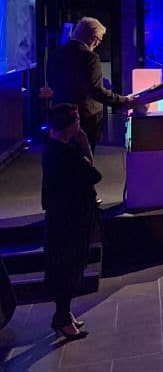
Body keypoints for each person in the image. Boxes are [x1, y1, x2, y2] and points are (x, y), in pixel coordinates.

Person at [42, 103, 101, 340]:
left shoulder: (52, 148)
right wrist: (86, 146)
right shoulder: (68, 153)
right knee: (69, 267)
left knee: (66, 267)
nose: (80, 124)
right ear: (70, 125)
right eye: (77, 121)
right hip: (70, 218)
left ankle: (64, 315)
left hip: (60, 216)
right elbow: (94, 175)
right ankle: (62, 319)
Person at [45, 17, 134, 152]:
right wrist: (123, 100)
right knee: (84, 159)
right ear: (92, 37)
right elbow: (95, 90)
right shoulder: (90, 57)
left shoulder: (55, 55)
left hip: (60, 113)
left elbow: (52, 82)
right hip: (85, 117)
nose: (97, 44)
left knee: (64, 158)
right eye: (98, 40)